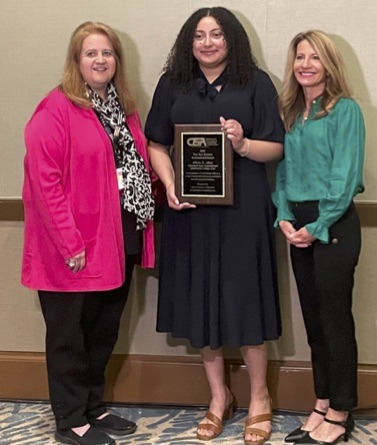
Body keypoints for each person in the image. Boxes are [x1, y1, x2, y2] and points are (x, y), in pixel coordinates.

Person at [145, 7, 284, 445]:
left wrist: (242, 144)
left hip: (243, 213)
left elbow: (276, 148)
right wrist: (169, 185)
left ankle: (260, 398)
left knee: (246, 301)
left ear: (232, 40)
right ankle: (219, 397)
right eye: (199, 35)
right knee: (201, 300)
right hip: (190, 214)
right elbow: (156, 143)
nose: (207, 42)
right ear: (189, 42)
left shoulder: (255, 82)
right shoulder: (173, 84)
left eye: (217, 34)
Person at [21, 22, 156, 445]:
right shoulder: (56, 108)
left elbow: (138, 164)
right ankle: (70, 418)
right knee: (69, 335)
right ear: (76, 61)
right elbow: (44, 182)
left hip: (118, 235)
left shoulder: (123, 107)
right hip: (74, 245)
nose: (100, 60)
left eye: (107, 53)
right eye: (91, 53)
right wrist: (69, 243)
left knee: (103, 329)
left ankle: (93, 406)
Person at [273, 30, 365, 444]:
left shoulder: (346, 111)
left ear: (329, 64)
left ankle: (342, 412)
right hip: (299, 224)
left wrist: (318, 225)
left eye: (314, 57)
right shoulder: (294, 112)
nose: (305, 64)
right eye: (299, 57)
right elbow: (286, 173)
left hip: (334, 225)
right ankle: (323, 402)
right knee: (314, 324)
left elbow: (344, 179)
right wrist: (284, 216)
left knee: (335, 322)